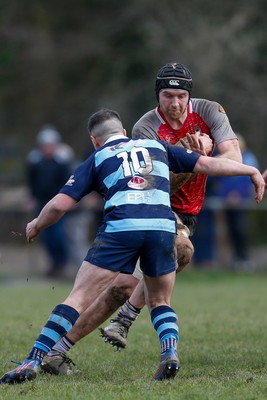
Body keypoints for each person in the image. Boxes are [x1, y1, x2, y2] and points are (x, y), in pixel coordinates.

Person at [1, 109, 264, 385]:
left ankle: (33, 359)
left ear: (95, 140)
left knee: (78, 297)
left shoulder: (98, 157)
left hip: (122, 228)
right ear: (125, 132)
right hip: (163, 228)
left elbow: (59, 205)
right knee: (161, 300)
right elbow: (209, 165)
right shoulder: (157, 146)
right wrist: (250, 170)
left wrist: (36, 225)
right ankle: (169, 353)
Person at [29, 62, 246, 371]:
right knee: (120, 287)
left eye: (181, 96)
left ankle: (125, 319)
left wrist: (202, 157)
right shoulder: (145, 128)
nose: (175, 103)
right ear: (158, 96)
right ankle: (57, 350)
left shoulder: (210, 112)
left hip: (185, 213)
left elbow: (232, 159)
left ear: (190, 96)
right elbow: (151, 184)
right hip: (153, 206)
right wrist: (191, 161)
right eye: (168, 96)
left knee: (179, 252)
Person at [26, 125, 73, 277]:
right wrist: (31, 197)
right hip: (41, 202)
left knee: (59, 235)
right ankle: (53, 263)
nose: (47, 149)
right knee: (46, 237)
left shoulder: (61, 163)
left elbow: (67, 183)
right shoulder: (35, 162)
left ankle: (62, 262)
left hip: (56, 204)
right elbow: (31, 182)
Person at [216, 133, 260, 270]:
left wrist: (238, 195)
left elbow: (248, 181)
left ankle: (244, 258)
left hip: (241, 202)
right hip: (225, 201)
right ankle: (234, 259)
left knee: (240, 229)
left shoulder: (248, 158)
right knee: (229, 231)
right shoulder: (228, 157)